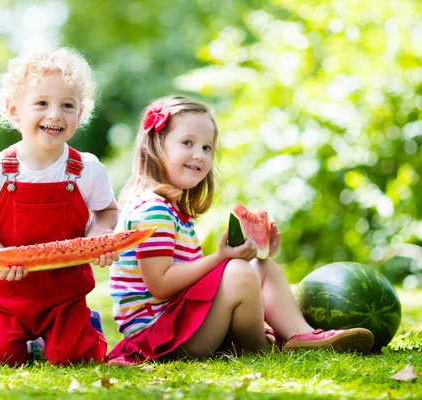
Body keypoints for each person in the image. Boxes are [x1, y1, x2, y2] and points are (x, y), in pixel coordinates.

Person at [107, 95, 374, 365]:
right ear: (156, 145)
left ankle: (302, 335)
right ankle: (257, 345)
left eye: (207, 147)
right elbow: (162, 285)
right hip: (162, 338)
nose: (199, 154)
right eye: (187, 143)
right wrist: (221, 258)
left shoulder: (171, 211)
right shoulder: (153, 211)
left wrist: (254, 251)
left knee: (262, 267)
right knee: (238, 272)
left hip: (180, 325)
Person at [0, 47, 119, 367]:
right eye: (42, 103)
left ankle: (88, 326)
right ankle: (23, 343)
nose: (55, 114)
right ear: (14, 110)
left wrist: (102, 233)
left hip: (66, 295)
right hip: (7, 295)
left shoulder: (87, 169)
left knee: (74, 357)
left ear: (81, 114)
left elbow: (108, 210)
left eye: (67, 105)